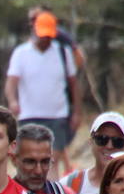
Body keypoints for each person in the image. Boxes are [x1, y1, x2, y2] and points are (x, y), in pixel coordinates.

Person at [5, 11, 80, 177]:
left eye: (49, 35)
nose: (45, 39)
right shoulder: (21, 53)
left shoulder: (63, 52)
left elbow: (74, 84)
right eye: (42, 34)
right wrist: (12, 101)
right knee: (27, 160)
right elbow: (11, 82)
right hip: (29, 116)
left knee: (53, 160)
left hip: (57, 115)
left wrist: (76, 112)